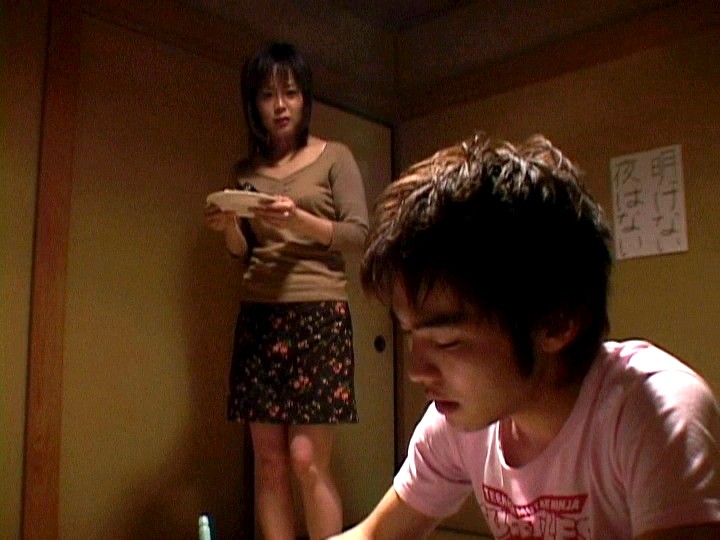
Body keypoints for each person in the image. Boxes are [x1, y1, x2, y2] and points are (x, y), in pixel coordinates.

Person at [331, 132, 720, 539]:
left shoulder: (652, 413)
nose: (417, 370)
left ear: (557, 320)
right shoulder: (460, 421)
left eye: (446, 341)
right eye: (411, 334)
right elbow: (373, 535)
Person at [205, 42, 368, 540]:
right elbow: (243, 251)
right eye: (267, 95)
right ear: (253, 104)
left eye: (290, 93)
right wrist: (229, 227)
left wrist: (297, 218)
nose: (279, 105)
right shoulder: (245, 173)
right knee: (269, 462)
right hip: (259, 315)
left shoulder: (335, 157)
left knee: (305, 459)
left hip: (319, 314)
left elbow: (358, 234)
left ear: (304, 99)